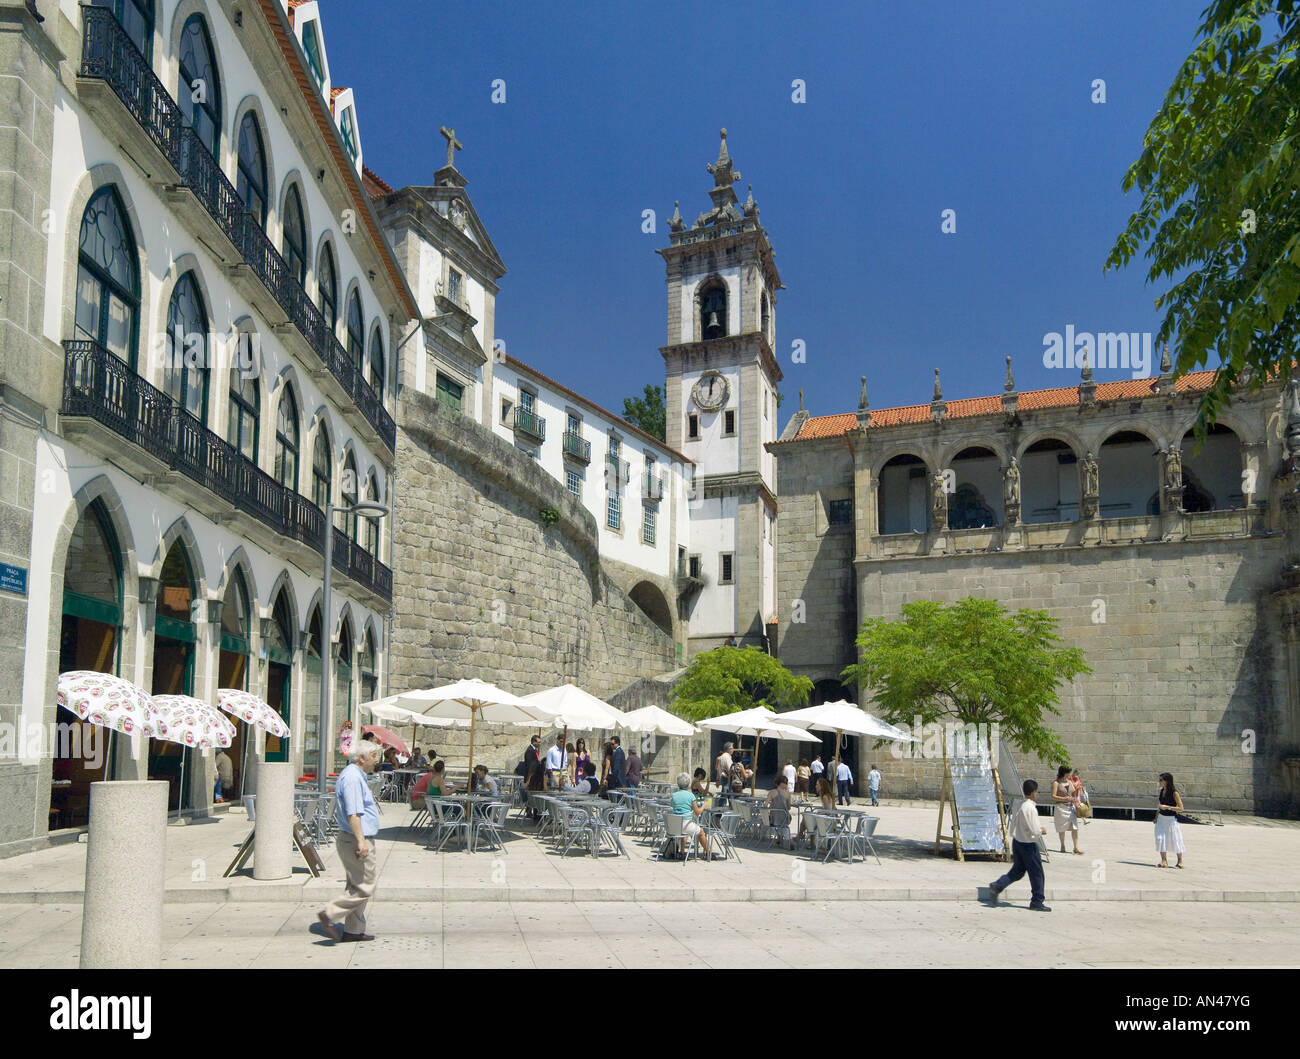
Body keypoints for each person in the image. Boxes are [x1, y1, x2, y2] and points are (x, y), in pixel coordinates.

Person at [318, 739, 384, 942]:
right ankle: (330, 913)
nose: (377, 760)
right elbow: (353, 814)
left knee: (355, 886)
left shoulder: (356, 775)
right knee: (366, 886)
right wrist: (361, 841)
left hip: (355, 837)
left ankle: (352, 931)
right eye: (374, 756)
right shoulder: (353, 779)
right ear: (362, 758)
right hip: (356, 839)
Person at [987, 779, 1050, 912]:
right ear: (1033, 792)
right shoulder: (1030, 808)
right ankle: (1037, 901)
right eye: (1036, 791)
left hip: (1017, 842)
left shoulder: (1019, 804)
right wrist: (1042, 830)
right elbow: (1034, 830)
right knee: (1037, 874)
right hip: (1028, 844)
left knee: (1018, 871)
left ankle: (998, 886)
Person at [669, 771, 709, 858]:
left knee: (685, 831)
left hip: (675, 825)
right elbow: (697, 812)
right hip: (686, 823)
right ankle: (707, 852)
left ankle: (682, 851)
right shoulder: (691, 796)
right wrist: (703, 806)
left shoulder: (674, 795)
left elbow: (672, 806)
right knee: (701, 832)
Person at [1156, 772, 1185, 868]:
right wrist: (1156, 817)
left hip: (1171, 819)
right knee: (1160, 838)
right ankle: (1164, 861)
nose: (1159, 782)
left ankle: (1180, 861)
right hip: (1161, 818)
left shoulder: (1174, 793)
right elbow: (1160, 805)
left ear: (1167, 781)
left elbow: (1181, 808)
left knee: (1175, 839)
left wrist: (1168, 807)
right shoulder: (1161, 791)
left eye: (1161, 780)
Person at [1052, 765, 1082, 854]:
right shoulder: (1056, 783)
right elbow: (1053, 796)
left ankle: (1076, 848)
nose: (1070, 774)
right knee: (1062, 828)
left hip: (1070, 808)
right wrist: (1064, 799)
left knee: (1075, 827)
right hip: (1061, 808)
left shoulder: (1070, 782)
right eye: (1068, 772)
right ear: (1064, 773)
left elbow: (1074, 795)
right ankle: (1062, 845)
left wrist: (1077, 790)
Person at [764, 774, 794, 849]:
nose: (786, 784)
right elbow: (789, 807)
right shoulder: (788, 794)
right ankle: (787, 840)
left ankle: (779, 838)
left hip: (774, 818)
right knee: (784, 825)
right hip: (785, 817)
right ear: (782, 783)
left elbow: (765, 805)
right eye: (785, 783)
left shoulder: (771, 792)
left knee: (778, 823)